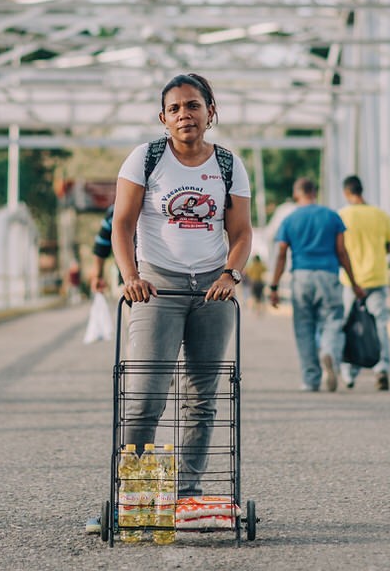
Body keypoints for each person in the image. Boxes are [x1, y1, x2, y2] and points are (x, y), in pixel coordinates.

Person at [112, 72, 252, 497]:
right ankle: (133, 496)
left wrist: (231, 274)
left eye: (193, 105)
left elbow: (242, 232)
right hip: (158, 285)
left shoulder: (228, 164)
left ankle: (186, 494)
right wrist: (130, 277)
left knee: (202, 399)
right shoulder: (146, 158)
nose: (184, 114)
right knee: (144, 397)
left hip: (213, 288)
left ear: (211, 112)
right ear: (163, 118)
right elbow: (122, 223)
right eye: (175, 108)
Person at [269, 178, 365, 392]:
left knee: (304, 327)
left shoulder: (290, 219)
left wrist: (274, 286)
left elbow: (281, 254)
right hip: (328, 275)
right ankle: (329, 351)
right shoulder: (332, 216)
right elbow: (342, 252)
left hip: (301, 277)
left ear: (297, 194)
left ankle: (311, 379)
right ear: (315, 192)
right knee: (332, 320)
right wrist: (354, 283)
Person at [338, 175, 390, 390]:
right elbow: (389, 247)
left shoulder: (343, 215)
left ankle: (348, 373)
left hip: (351, 281)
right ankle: (382, 369)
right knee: (379, 324)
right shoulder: (381, 215)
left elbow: (339, 249)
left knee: (349, 325)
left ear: (346, 192)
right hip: (377, 278)